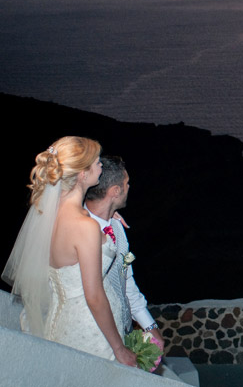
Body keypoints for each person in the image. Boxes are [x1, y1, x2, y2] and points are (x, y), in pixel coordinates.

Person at [2, 137, 136, 366]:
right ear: (83, 174)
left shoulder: (48, 216)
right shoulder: (84, 227)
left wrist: (107, 218)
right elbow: (93, 296)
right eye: (96, 163)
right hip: (90, 328)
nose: (101, 166)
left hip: (60, 321)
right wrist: (119, 348)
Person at [84, 156, 164, 348]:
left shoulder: (118, 227)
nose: (129, 187)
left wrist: (150, 326)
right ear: (115, 191)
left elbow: (126, 280)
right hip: (91, 334)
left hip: (122, 330)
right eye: (126, 183)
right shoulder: (79, 230)